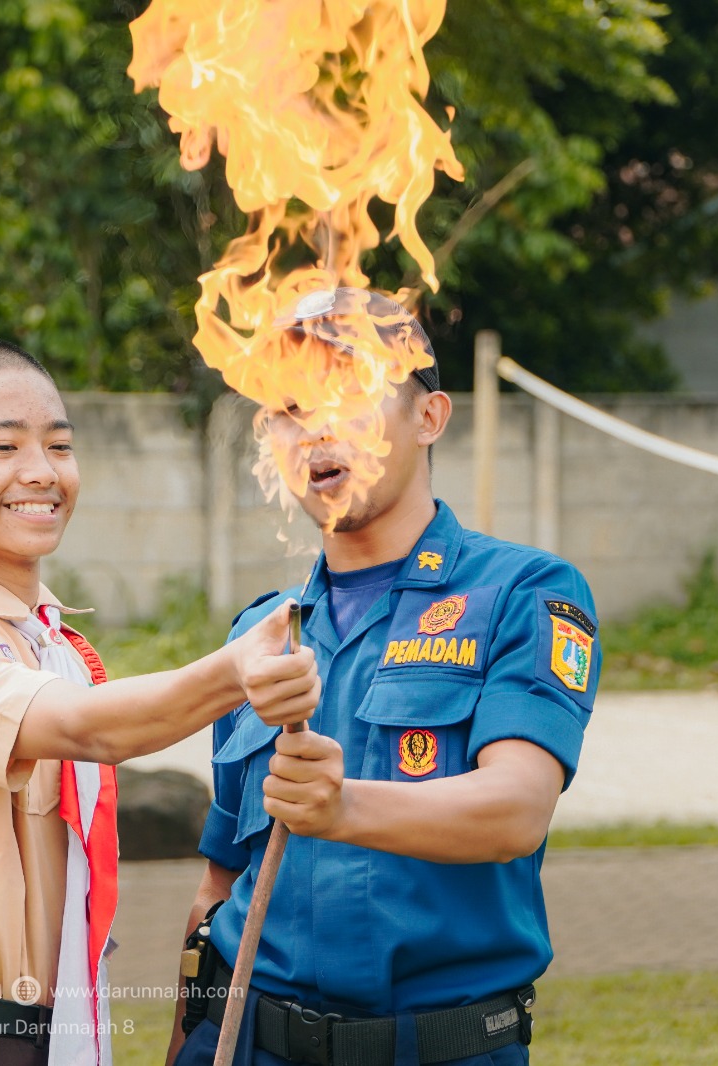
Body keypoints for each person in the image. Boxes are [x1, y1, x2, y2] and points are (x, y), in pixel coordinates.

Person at [0, 338, 322, 1066]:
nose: (41, 472)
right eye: (1, 446)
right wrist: (236, 668)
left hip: (43, 1030)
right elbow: (88, 729)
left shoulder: (51, 643)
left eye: (59, 446)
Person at [168, 288, 601, 1066]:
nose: (318, 429)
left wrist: (344, 806)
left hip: (440, 1048)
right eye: (291, 407)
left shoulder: (524, 593)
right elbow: (217, 889)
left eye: (350, 394)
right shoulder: (262, 632)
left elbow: (516, 810)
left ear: (429, 418)